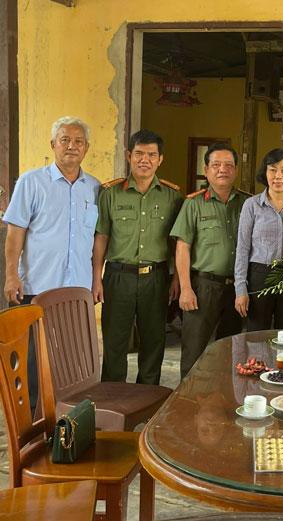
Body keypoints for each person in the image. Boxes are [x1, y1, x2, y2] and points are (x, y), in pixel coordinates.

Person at [3, 116, 100, 411]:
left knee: (73, 358)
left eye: (78, 141)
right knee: (34, 357)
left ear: (87, 148)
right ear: (53, 144)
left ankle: (68, 415)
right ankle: (34, 418)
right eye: (65, 140)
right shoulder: (31, 182)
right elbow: (15, 233)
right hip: (37, 286)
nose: (72, 146)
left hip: (76, 290)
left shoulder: (94, 188)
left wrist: (96, 280)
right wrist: (11, 275)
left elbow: (97, 239)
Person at [92, 129, 183, 385]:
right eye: (139, 154)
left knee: (154, 342)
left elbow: (177, 242)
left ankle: (147, 399)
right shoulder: (111, 193)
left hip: (156, 278)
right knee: (115, 342)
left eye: (152, 155)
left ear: (160, 159)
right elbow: (102, 236)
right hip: (118, 277)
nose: (145, 160)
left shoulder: (172, 196)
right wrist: (96, 278)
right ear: (129, 155)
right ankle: (113, 398)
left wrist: (176, 279)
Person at [170, 143, 250, 379]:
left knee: (231, 353)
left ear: (236, 170)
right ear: (206, 170)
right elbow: (182, 247)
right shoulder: (193, 204)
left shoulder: (248, 204)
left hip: (237, 289)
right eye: (216, 165)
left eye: (228, 165)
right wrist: (185, 288)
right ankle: (187, 398)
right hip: (203, 287)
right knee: (194, 353)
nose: (222, 169)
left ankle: (225, 398)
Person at [234, 148, 283, 331]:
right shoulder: (252, 205)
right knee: (257, 334)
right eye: (273, 170)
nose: (278, 176)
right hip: (259, 274)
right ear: (265, 173)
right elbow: (242, 248)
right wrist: (240, 289)